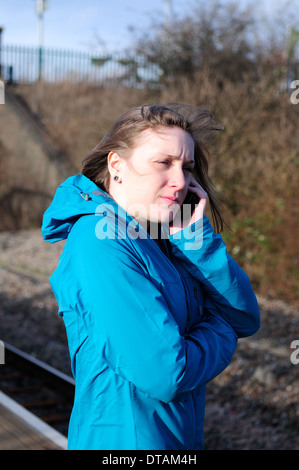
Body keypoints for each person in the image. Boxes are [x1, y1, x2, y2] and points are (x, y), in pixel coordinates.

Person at [41, 103, 260, 450]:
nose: (181, 181)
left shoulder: (163, 240)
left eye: (186, 167)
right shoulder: (100, 243)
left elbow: (246, 317)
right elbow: (166, 375)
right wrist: (223, 328)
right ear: (117, 166)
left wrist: (196, 240)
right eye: (164, 162)